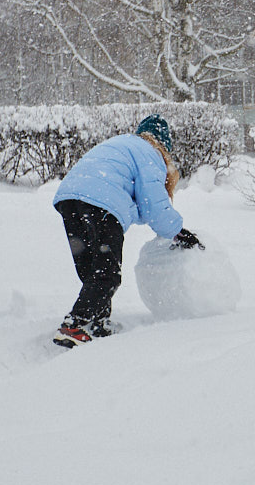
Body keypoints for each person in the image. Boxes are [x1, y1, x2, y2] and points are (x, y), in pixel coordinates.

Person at [51, 114, 200, 348]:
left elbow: (137, 204)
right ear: (163, 144)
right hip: (101, 202)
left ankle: (98, 321)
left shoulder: (123, 144)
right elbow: (154, 204)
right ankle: (74, 325)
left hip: (69, 199)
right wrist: (178, 231)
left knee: (92, 269)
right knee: (107, 272)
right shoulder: (150, 154)